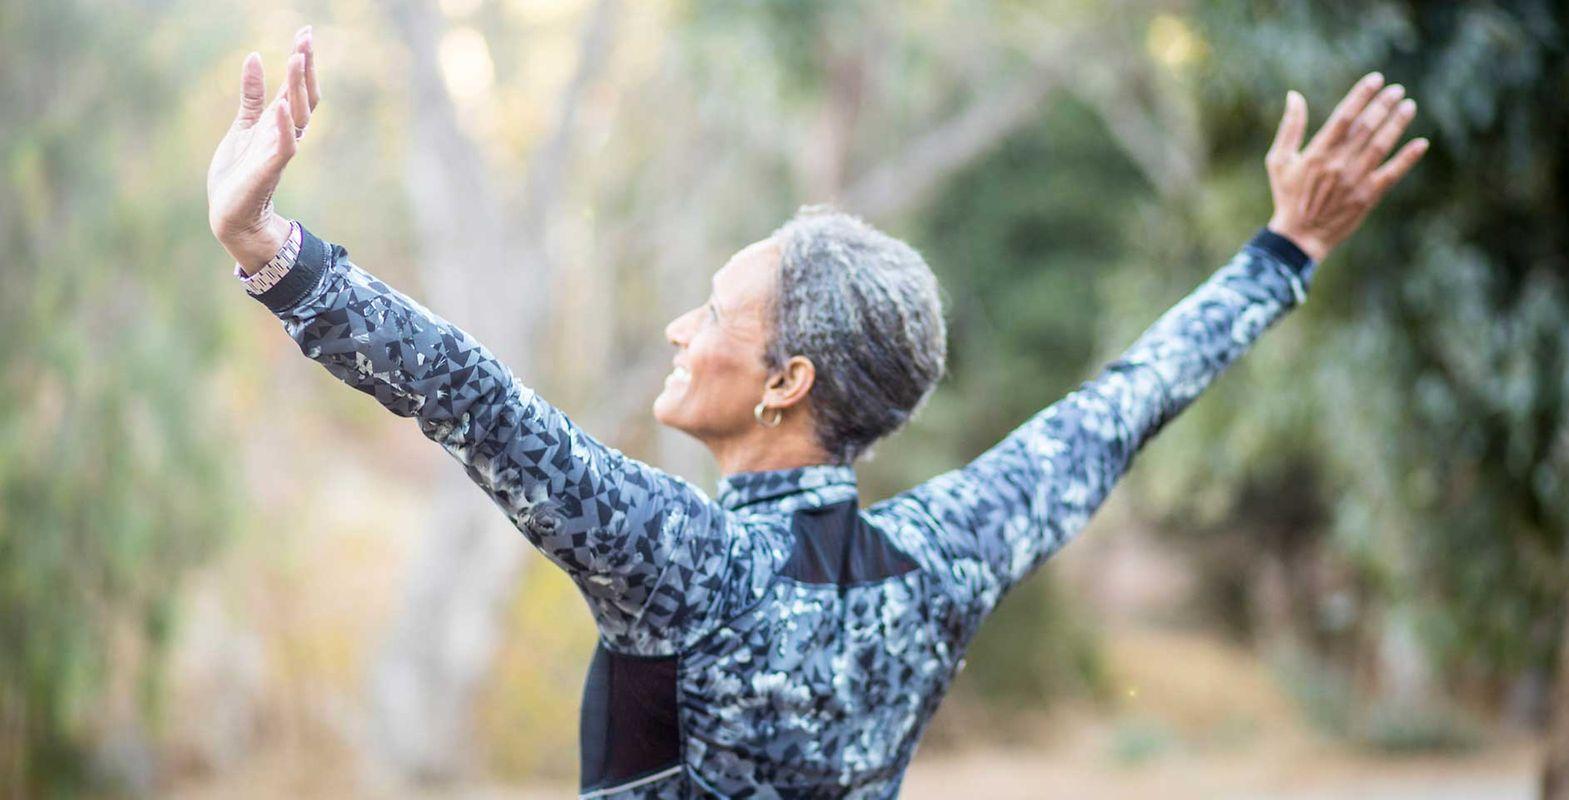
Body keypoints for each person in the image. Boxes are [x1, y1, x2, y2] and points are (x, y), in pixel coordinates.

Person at [207, 26, 1427, 800]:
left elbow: (476, 401)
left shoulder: (683, 562)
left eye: (714, 310)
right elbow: (1120, 410)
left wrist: (268, 246)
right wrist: (1282, 250)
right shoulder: (949, 551)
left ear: (788, 379)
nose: (683, 329)